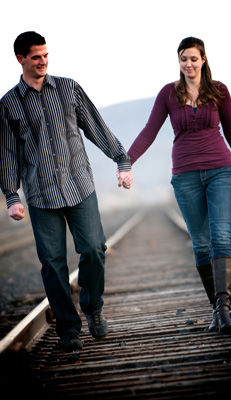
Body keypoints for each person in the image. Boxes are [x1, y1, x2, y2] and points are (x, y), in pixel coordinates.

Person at [0, 31, 133, 351]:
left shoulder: (69, 88)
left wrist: (122, 160)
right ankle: (69, 328)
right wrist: (12, 196)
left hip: (79, 186)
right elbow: (6, 153)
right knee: (53, 263)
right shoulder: (8, 104)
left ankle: (93, 308)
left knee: (93, 249)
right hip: (41, 194)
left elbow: (96, 127)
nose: (43, 61)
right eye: (35, 56)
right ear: (21, 59)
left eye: (46, 54)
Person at [127, 36, 231, 333]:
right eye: (183, 59)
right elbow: (150, 130)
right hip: (185, 176)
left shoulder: (219, 91)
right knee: (200, 244)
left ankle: (223, 311)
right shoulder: (168, 94)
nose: (188, 64)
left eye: (193, 58)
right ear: (179, 61)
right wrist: (127, 162)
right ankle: (217, 307)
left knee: (221, 237)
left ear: (204, 59)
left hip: (221, 171)